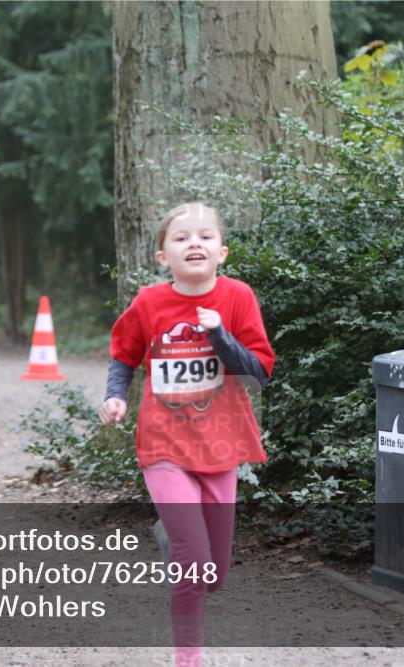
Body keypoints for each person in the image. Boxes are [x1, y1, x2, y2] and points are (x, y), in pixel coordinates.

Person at [100, 202, 274, 667]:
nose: (193, 243)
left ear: (222, 253)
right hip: (164, 444)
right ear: (163, 257)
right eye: (180, 238)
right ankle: (188, 660)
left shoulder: (237, 297)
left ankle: (169, 539)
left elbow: (257, 371)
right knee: (193, 563)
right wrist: (116, 395)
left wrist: (219, 335)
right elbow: (124, 354)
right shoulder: (149, 302)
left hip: (222, 444)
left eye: (205, 236)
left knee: (213, 573)